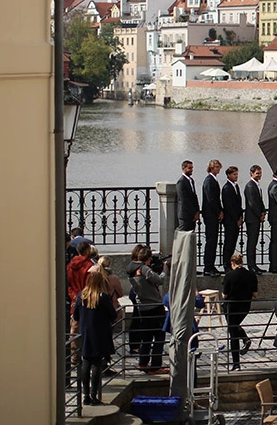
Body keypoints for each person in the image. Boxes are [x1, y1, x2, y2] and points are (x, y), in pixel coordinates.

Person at [76, 269, 120, 405]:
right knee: (96, 364)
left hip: (85, 333)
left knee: (86, 363)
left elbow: (76, 316)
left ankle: (85, 395)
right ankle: (94, 396)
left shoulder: (81, 296)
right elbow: (113, 315)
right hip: (99, 334)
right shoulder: (102, 297)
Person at [127, 244, 168, 375]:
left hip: (142, 306)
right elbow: (159, 280)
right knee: (159, 336)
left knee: (146, 337)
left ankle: (143, 363)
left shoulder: (131, 268)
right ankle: (156, 365)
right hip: (154, 306)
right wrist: (165, 270)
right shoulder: (144, 269)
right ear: (147, 259)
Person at [222, 253, 257, 370]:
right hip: (245, 306)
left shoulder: (229, 276)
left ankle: (236, 363)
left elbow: (224, 294)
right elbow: (255, 294)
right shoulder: (251, 275)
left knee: (232, 333)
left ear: (232, 263)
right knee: (234, 326)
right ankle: (245, 339)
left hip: (232, 307)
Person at [66, 240, 96, 368]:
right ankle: (87, 353)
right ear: (87, 251)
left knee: (74, 328)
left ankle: (74, 355)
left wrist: (74, 296)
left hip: (75, 299)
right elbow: (91, 284)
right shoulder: (89, 265)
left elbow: (68, 283)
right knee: (89, 328)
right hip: (88, 299)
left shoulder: (70, 265)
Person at [201, 159, 224, 275]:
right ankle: (208, 267)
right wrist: (218, 211)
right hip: (210, 215)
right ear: (211, 168)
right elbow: (211, 199)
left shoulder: (213, 180)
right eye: (216, 167)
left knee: (213, 241)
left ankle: (211, 265)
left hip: (213, 215)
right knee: (210, 241)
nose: (218, 169)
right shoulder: (209, 181)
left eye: (219, 167)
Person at [244, 165, 266, 272]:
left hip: (256, 218)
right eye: (257, 173)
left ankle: (254, 264)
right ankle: (251, 265)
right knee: (251, 242)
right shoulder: (250, 186)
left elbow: (260, 201)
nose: (259, 175)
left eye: (260, 173)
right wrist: (259, 215)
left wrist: (263, 211)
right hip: (252, 219)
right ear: (251, 173)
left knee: (254, 242)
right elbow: (252, 203)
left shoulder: (256, 185)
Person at [221, 165, 244, 265]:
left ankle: (231, 263)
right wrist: (236, 219)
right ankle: (226, 264)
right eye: (234, 174)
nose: (236, 176)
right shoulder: (226, 188)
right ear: (228, 175)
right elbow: (229, 206)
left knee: (233, 243)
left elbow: (239, 203)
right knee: (228, 244)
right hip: (230, 221)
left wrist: (240, 216)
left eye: (237, 174)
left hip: (236, 220)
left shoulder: (236, 186)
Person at [176, 159, 200, 233]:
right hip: (185, 215)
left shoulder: (191, 180)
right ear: (183, 168)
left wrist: (197, 211)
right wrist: (193, 213)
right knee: (184, 234)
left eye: (192, 168)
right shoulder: (181, 182)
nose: (191, 170)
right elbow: (184, 200)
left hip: (192, 215)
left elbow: (194, 196)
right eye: (189, 168)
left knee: (191, 235)